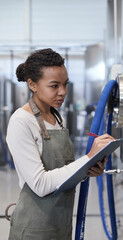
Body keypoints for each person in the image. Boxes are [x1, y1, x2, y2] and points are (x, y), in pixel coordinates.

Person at [6, 48, 114, 240]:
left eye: (65, 84)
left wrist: (87, 169)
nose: (62, 92)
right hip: (34, 230)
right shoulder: (21, 121)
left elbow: (61, 172)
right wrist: (87, 159)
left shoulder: (57, 117)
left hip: (60, 225)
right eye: (54, 86)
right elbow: (40, 184)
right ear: (32, 84)